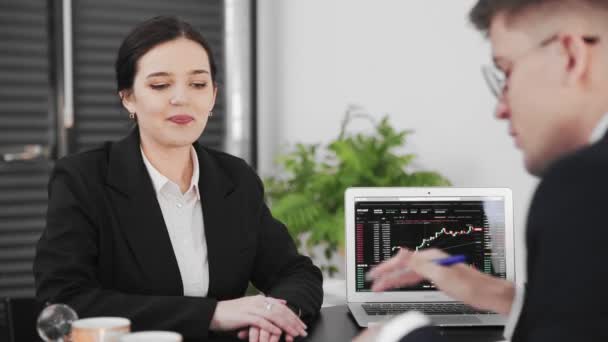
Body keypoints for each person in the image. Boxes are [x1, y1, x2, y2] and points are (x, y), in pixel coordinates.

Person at [33, 16, 323, 342]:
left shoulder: (235, 178)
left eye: (198, 84)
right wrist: (213, 314)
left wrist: (275, 316)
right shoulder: (83, 178)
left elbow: (296, 273)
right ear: (128, 97)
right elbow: (65, 301)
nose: (181, 98)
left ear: (213, 95)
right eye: (160, 85)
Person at [354, 0, 608, 341]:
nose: (500, 109)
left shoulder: (583, 186)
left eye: (506, 73)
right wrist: (501, 295)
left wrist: (397, 336)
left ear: (571, 57)